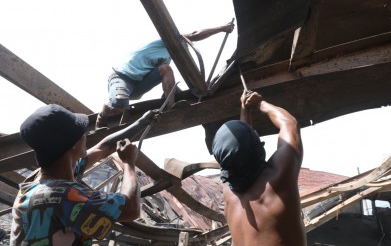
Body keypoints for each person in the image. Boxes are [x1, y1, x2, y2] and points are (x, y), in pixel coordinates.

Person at [10, 104, 159, 245]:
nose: (86, 135)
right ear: (73, 144)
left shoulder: (44, 176)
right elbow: (131, 209)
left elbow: (104, 147)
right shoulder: (64, 196)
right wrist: (128, 162)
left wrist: (140, 123)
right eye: (82, 132)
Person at [95, 21, 235, 129]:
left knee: (166, 69)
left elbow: (166, 76)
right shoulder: (166, 41)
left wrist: (177, 93)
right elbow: (194, 35)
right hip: (122, 77)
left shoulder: (167, 59)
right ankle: (103, 115)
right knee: (119, 105)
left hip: (137, 85)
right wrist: (222, 28)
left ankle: (170, 103)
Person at [211, 91, 306, 246]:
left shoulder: (229, 193)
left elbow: (242, 154)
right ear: (256, 148)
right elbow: (289, 124)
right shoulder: (278, 178)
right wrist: (260, 104)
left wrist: (245, 109)